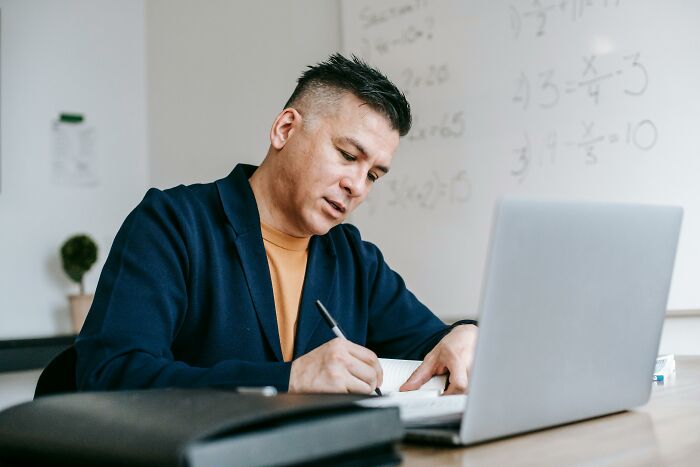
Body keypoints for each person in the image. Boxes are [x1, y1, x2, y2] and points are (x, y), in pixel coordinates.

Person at [75, 54, 478, 395]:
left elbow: (432, 343)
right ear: (285, 129)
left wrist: (464, 335)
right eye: (347, 155)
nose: (356, 186)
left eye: (373, 175)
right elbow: (110, 375)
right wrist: (289, 379)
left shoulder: (353, 257)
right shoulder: (173, 224)